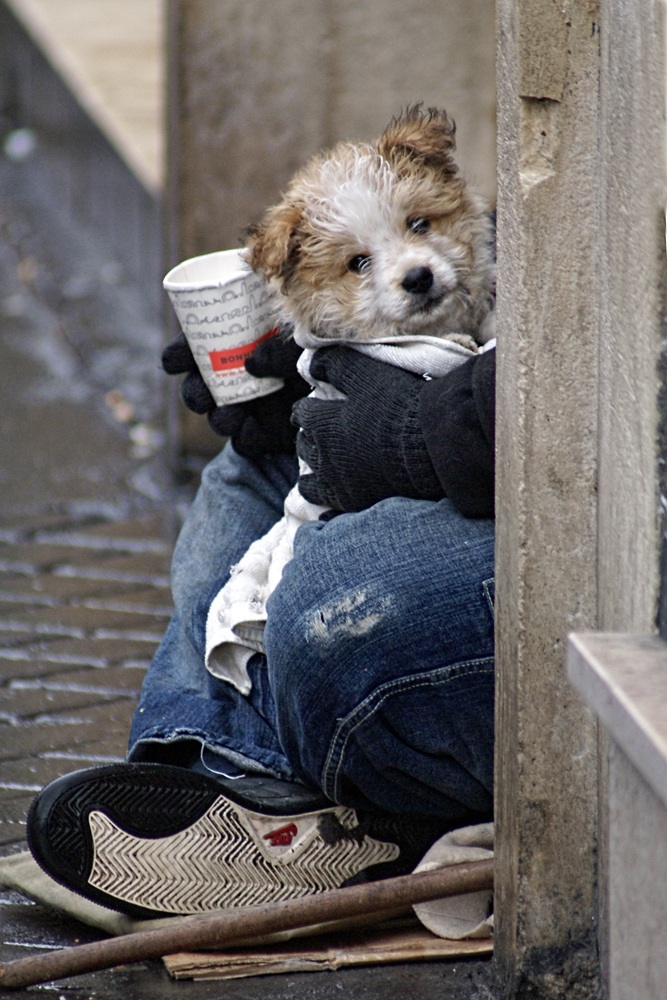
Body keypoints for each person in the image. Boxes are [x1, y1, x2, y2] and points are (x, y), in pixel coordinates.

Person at [27, 331, 496, 919]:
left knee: (326, 614)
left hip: (554, 489)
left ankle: (314, 809)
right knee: (247, 479)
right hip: (471, 405)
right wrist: (302, 380)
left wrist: (427, 430)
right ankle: (237, 778)